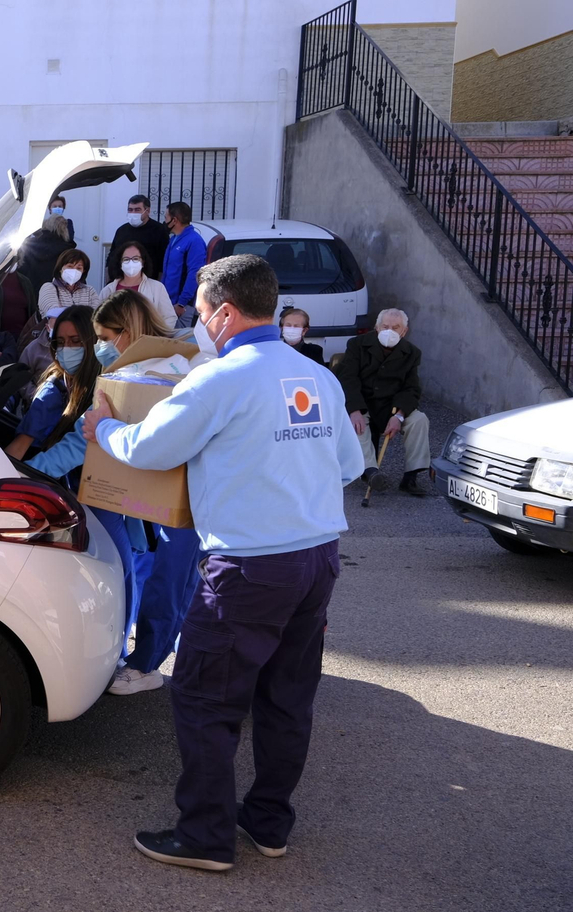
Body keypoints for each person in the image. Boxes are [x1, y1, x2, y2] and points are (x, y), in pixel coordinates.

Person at [81, 253, 365, 871]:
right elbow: (350, 465)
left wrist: (100, 427)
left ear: (227, 313)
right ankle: (268, 825)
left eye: (203, 314)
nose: (199, 325)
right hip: (317, 560)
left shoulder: (221, 379)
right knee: (286, 699)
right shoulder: (316, 376)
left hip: (247, 567)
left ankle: (205, 836)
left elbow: (149, 449)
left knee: (206, 698)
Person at [6, 306, 145, 659]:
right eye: (60, 342)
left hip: (102, 496)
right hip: (68, 493)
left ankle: (119, 656)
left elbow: (71, 450)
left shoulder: (107, 386)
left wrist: (21, 479)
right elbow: (24, 440)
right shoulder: (55, 386)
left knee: (118, 573)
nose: (67, 350)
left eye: (77, 341)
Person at [90, 290, 197, 699]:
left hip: (180, 490)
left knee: (173, 577)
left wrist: (101, 429)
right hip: (160, 488)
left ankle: (147, 663)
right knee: (174, 575)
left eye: (106, 336)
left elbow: (150, 444)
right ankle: (164, 655)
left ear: (127, 332)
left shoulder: (169, 369)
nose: (101, 345)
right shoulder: (152, 366)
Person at [338, 308, 430, 496]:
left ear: (404, 331)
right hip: (362, 401)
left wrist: (399, 415)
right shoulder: (357, 344)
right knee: (357, 425)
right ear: (377, 327)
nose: (390, 331)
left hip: (391, 406)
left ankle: (411, 476)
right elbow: (348, 378)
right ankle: (371, 472)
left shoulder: (412, 353)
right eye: (385, 326)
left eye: (396, 328)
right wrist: (354, 409)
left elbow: (411, 388)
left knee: (419, 420)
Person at [99, 240, 176, 333]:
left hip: (147, 343)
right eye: (126, 259)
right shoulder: (108, 290)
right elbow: (99, 320)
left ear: (143, 261)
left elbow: (169, 317)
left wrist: (157, 337)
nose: (131, 262)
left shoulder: (157, 287)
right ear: (120, 263)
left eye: (135, 259)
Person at [161, 201, 207, 326]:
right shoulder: (174, 239)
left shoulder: (194, 241)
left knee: (180, 341)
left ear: (174, 220)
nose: (164, 221)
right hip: (170, 303)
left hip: (181, 307)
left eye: (166, 217)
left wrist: (182, 303)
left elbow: (195, 274)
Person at [105, 195, 169, 283]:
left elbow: (164, 259)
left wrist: (158, 284)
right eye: (130, 210)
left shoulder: (159, 230)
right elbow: (112, 255)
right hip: (121, 280)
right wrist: (109, 280)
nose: (133, 213)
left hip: (148, 281)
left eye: (137, 210)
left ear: (148, 211)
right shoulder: (122, 230)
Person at [14, 214, 72, 301]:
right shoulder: (67, 251)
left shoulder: (30, 245)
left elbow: (21, 270)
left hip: (30, 294)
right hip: (57, 298)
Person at [34, 249, 99, 317]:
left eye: (78, 268)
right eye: (70, 266)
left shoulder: (90, 291)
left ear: (83, 271)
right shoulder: (49, 287)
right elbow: (52, 313)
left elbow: (96, 316)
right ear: (60, 268)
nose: (74, 271)